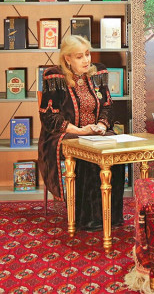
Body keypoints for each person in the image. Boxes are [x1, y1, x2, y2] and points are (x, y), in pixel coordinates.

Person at [38, 35, 125, 231]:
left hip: (95, 132)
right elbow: (49, 117)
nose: (86, 60)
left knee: (116, 152)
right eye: (79, 57)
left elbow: (108, 106)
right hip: (64, 133)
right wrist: (79, 131)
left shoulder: (98, 72)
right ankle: (88, 218)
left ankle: (113, 216)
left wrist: (101, 125)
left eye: (87, 54)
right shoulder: (55, 77)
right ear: (67, 58)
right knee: (87, 152)